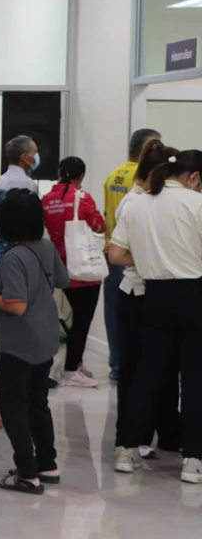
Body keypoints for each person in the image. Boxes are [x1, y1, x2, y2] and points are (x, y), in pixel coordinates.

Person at [110, 149, 202, 484]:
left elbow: (116, 252)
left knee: (148, 374)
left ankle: (126, 448)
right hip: (194, 294)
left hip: (154, 296)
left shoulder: (138, 204)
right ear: (193, 178)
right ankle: (193, 459)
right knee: (194, 378)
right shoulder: (197, 204)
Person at [0, 189, 68, 494]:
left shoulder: (13, 257)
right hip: (46, 338)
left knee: (14, 407)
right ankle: (47, 465)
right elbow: (62, 280)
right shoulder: (46, 247)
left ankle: (26, 473)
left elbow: (16, 305)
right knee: (38, 403)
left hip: (18, 343)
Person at [112, 138, 181, 458]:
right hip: (136, 294)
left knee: (163, 369)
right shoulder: (133, 202)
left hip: (157, 295)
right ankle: (133, 435)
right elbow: (118, 254)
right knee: (135, 369)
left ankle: (166, 432)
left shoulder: (156, 201)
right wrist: (153, 259)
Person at [42, 157, 106, 388]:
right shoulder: (81, 197)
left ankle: (74, 364)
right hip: (84, 267)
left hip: (59, 264)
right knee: (83, 319)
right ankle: (70, 370)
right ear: (81, 176)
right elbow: (99, 225)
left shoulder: (47, 199)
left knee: (77, 315)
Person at [103, 128, 161, 383]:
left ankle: (116, 364)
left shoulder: (113, 176)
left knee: (114, 313)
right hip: (134, 256)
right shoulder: (143, 183)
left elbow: (107, 214)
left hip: (112, 248)